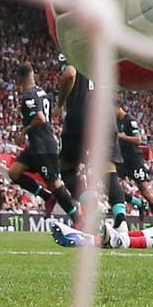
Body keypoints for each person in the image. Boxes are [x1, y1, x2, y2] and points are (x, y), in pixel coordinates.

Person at [54, 59, 129, 229]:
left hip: (80, 116)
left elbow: (70, 74)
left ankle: (92, 204)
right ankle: (121, 220)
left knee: (67, 168)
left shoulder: (73, 50)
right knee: (109, 171)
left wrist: (59, 104)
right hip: (106, 117)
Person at [7, 62, 79, 222]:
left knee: (54, 183)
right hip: (36, 146)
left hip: (43, 147)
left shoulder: (28, 96)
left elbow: (40, 117)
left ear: (19, 79)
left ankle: (77, 217)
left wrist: (22, 133)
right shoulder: (42, 92)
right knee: (14, 172)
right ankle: (47, 197)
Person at [115, 105, 153, 223]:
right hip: (121, 160)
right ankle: (138, 202)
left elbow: (138, 140)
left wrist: (121, 136)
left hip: (134, 160)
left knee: (145, 191)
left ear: (117, 108)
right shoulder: (115, 121)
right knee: (110, 187)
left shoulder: (129, 120)